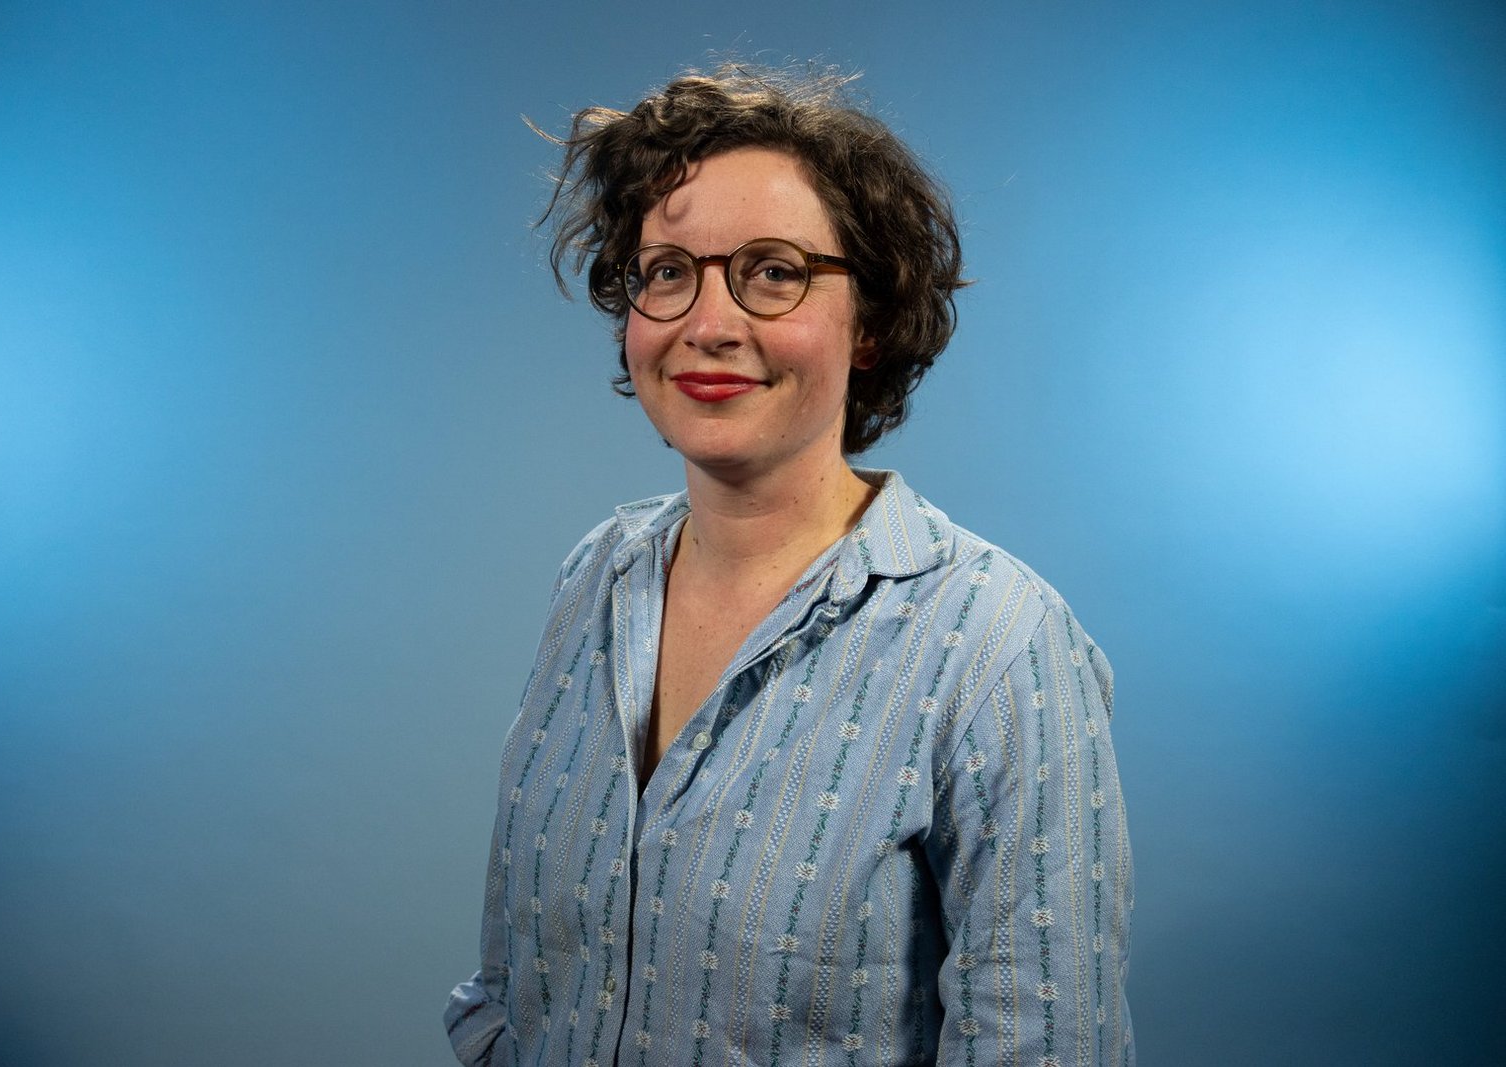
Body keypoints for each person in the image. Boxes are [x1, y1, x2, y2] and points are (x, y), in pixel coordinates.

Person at [447, 63, 1133, 1067]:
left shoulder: (997, 645)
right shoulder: (596, 579)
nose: (707, 323)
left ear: (872, 322)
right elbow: (518, 987)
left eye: (773, 271)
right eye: (666, 271)